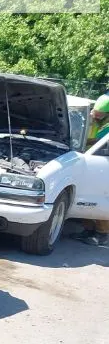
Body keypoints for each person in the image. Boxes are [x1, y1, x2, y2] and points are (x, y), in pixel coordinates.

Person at [74, 94, 109, 246]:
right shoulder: (91, 119)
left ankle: (102, 234)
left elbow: (100, 142)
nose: (95, 115)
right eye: (95, 111)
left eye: (99, 114)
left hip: (102, 163)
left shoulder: (106, 127)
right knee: (84, 199)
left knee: (101, 199)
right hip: (87, 160)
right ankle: (88, 230)